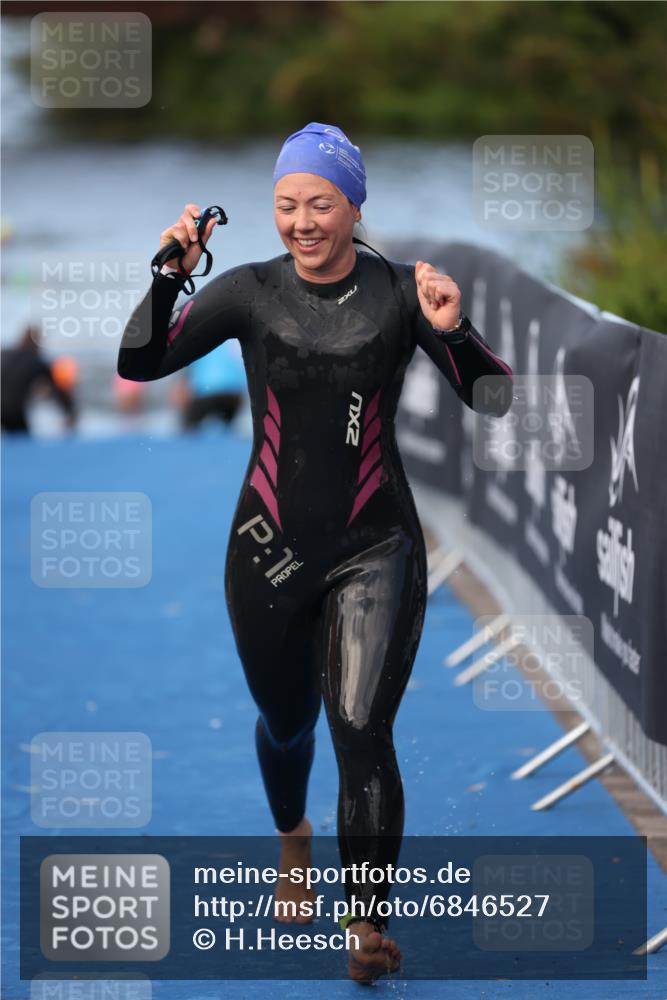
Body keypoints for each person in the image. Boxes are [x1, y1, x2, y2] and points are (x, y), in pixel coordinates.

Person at [117, 122, 513, 982]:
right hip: (266, 547)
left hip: (377, 546)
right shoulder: (247, 292)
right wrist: (169, 275)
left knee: (361, 729)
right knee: (287, 722)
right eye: (287, 204)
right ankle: (292, 834)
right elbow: (140, 363)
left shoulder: (402, 292)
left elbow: (493, 400)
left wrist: (453, 331)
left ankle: (364, 924)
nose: (302, 222)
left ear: (354, 207)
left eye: (321, 204)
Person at [1, 326, 77, 433]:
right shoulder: (36, 362)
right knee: (21, 439)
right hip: (14, 410)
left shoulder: (5, 355)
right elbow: (57, 389)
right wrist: (69, 411)